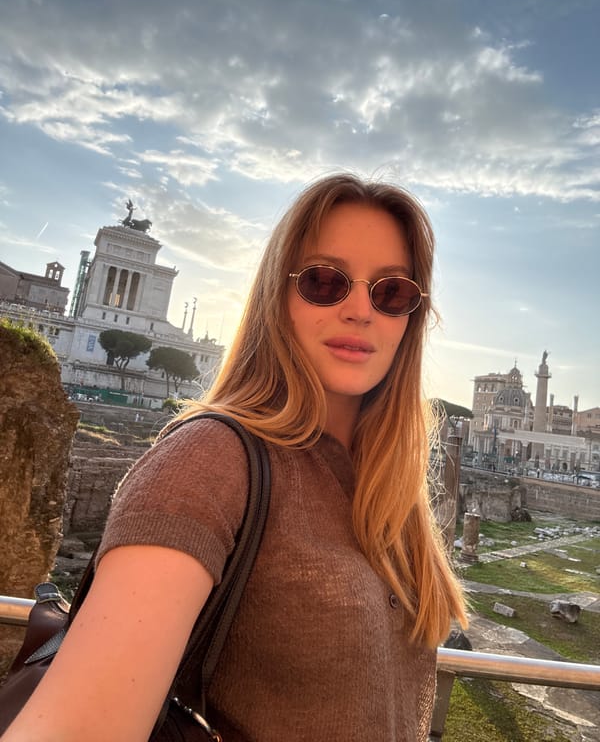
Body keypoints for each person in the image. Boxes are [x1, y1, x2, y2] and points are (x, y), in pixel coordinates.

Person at [3, 173, 467, 742]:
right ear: (278, 296)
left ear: (411, 317)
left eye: (391, 291)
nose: (359, 310)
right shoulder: (206, 462)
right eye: (325, 281)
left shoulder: (390, 487)